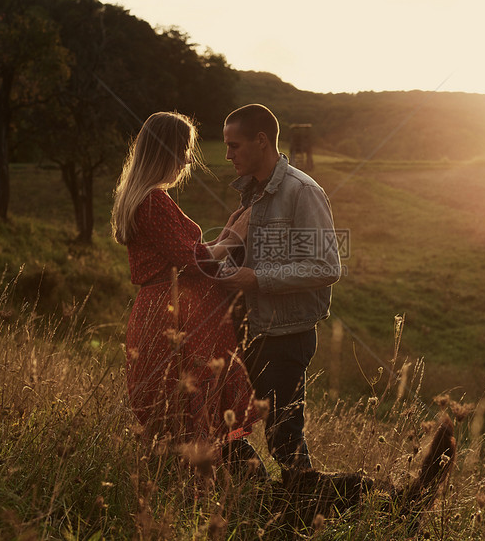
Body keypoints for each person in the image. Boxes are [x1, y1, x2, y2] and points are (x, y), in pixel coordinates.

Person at [111, 111, 263, 466]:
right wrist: (234, 239)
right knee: (187, 403)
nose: (187, 161)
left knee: (182, 407)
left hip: (166, 311)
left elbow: (187, 254)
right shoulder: (153, 200)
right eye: (183, 151)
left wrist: (225, 235)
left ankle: (196, 483)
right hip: (174, 317)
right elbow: (191, 260)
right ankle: (207, 491)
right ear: (165, 151)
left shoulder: (144, 198)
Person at [219, 104, 341, 476]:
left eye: (234, 145)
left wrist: (257, 279)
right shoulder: (253, 192)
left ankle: (303, 514)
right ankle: (254, 499)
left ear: (261, 141)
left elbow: (326, 266)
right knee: (229, 425)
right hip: (250, 328)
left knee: (284, 438)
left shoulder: (302, 191)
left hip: (286, 335)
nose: (227, 155)